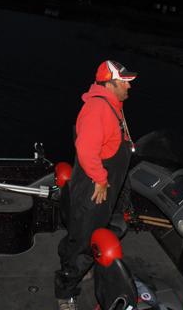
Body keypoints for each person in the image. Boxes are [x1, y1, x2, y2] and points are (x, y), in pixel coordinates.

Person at [55, 60, 137, 310]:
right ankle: (65, 291)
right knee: (82, 242)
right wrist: (101, 180)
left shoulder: (114, 104)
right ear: (110, 84)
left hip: (107, 186)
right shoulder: (97, 109)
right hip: (94, 189)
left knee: (93, 233)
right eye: (124, 82)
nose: (129, 86)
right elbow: (85, 150)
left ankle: (79, 260)